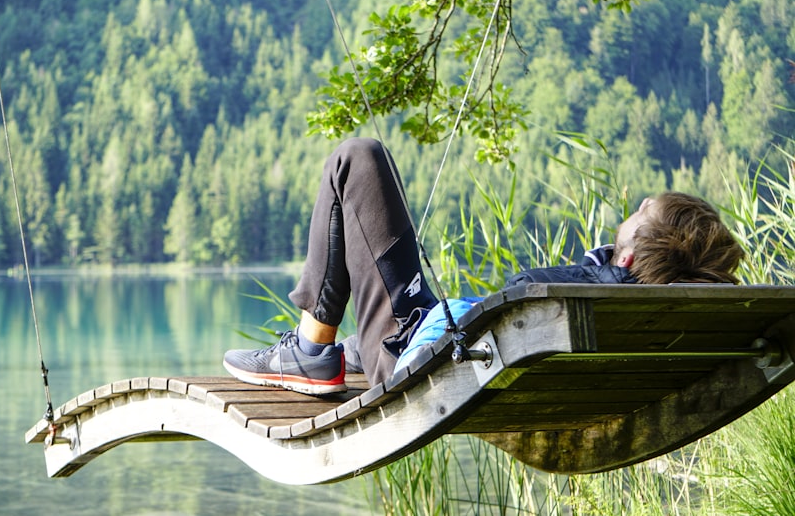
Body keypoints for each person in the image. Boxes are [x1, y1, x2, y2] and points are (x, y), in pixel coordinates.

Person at [222, 138, 745, 395]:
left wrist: (600, 263)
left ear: (629, 255)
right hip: (445, 340)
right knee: (366, 342)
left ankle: (310, 350)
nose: (626, 217)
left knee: (358, 159)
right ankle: (339, 351)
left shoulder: (600, 284)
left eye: (637, 215)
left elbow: (520, 294)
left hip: (423, 359)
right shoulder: (646, 306)